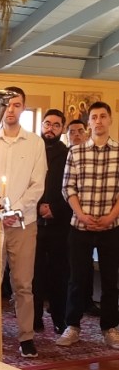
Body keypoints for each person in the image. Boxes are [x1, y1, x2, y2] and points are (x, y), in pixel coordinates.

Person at [57, 101, 119, 349]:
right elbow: (68, 187)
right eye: (94, 117)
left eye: (103, 116)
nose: (99, 121)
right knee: (77, 279)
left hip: (111, 227)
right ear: (89, 122)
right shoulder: (76, 152)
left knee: (111, 280)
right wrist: (81, 215)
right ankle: (72, 327)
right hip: (80, 226)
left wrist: (111, 216)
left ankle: (110, 328)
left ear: (110, 120)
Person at [0, 87, 46, 358]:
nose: (10, 110)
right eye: (7, 105)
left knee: (23, 284)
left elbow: (38, 184)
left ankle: (26, 337)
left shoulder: (35, 143)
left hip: (24, 223)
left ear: (23, 107)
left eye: (16, 104)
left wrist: (17, 210)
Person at [32, 109, 71, 335]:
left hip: (60, 223)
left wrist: (54, 208)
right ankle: (35, 317)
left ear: (62, 129)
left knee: (59, 274)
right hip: (34, 222)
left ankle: (59, 318)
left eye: (56, 125)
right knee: (34, 273)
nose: (50, 128)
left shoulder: (68, 154)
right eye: (47, 123)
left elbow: (72, 186)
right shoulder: (33, 151)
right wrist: (38, 207)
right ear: (42, 125)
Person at [66, 119, 99, 316]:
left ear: (86, 133)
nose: (76, 135)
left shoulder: (93, 155)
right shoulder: (67, 154)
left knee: (86, 268)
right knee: (73, 269)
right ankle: (70, 308)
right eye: (72, 132)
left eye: (80, 131)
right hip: (67, 219)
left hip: (87, 218)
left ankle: (88, 301)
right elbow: (65, 188)